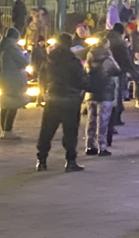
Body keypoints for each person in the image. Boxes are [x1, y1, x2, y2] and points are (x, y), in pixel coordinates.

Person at [36, 32, 88, 172]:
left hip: (53, 98)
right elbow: (81, 80)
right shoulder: (74, 61)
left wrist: (44, 92)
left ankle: (42, 161)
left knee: (47, 130)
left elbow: (41, 78)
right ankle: (70, 161)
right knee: (70, 132)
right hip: (70, 100)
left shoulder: (49, 59)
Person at [84, 40, 120, 156]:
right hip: (106, 92)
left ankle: (90, 145)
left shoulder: (90, 56)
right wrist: (112, 56)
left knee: (91, 120)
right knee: (103, 121)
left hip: (91, 92)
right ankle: (102, 147)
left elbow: (86, 71)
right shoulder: (107, 59)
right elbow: (117, 70)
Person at [106, 22, 137, 136]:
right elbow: (126, 60)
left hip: (105, 73)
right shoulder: (120, 43)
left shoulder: (106, 39)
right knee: (117, 96)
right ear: (122, 32)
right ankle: (114, 121)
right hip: (118, 72)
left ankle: (111, 122)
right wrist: (134, 71)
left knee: (109, 97)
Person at [0, 27, 29, 138]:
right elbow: (24, 62)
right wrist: (26, 53)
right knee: (13, 104)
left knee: (5, 105)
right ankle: (8, 129)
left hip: (3, 79)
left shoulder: (2, 47)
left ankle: (4, 129)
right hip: (14, 79)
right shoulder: (13, 48)